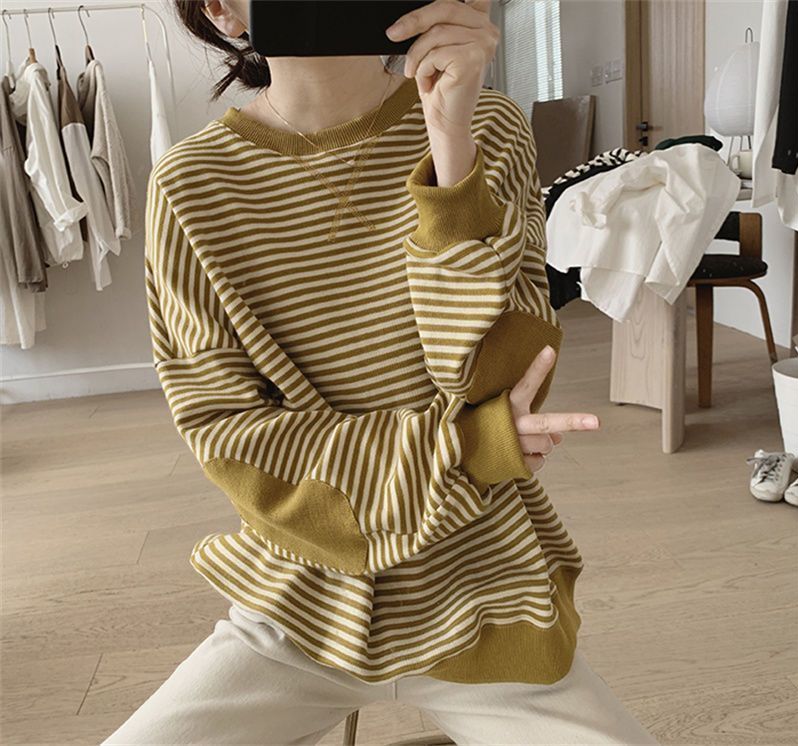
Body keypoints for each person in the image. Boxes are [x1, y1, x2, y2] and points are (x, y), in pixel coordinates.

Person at [102, 0, 659, 743]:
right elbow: (230, 435)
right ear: (222, 10)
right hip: (301, 599)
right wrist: (465, 447)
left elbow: (498, 379)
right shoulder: (191, 184)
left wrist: (450, 148)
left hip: (484, 587)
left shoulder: (488, 125)